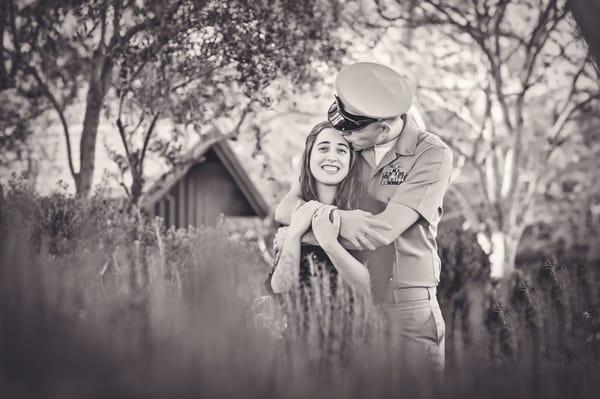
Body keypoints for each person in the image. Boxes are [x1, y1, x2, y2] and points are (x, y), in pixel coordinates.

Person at [274, 62, 453, 373]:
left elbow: (380, 233)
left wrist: (301, 233)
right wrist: (327, 215)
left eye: (352, 128)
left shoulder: (432, 155)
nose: (343, 133)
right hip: (347, 300)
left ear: (381, 128)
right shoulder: (347, 144)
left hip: (405, 304)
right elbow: (288, 206)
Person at [267, 121, 380, 364]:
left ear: (351, 161)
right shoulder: (293, 215)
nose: (332, 156)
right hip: (296, 347)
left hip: (352, 345)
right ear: (308, 157)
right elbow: (280, 286)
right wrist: (295, 234)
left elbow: (369, 289)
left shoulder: (368, 210)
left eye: (341, 150)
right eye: (323, 148)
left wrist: (330, 243)